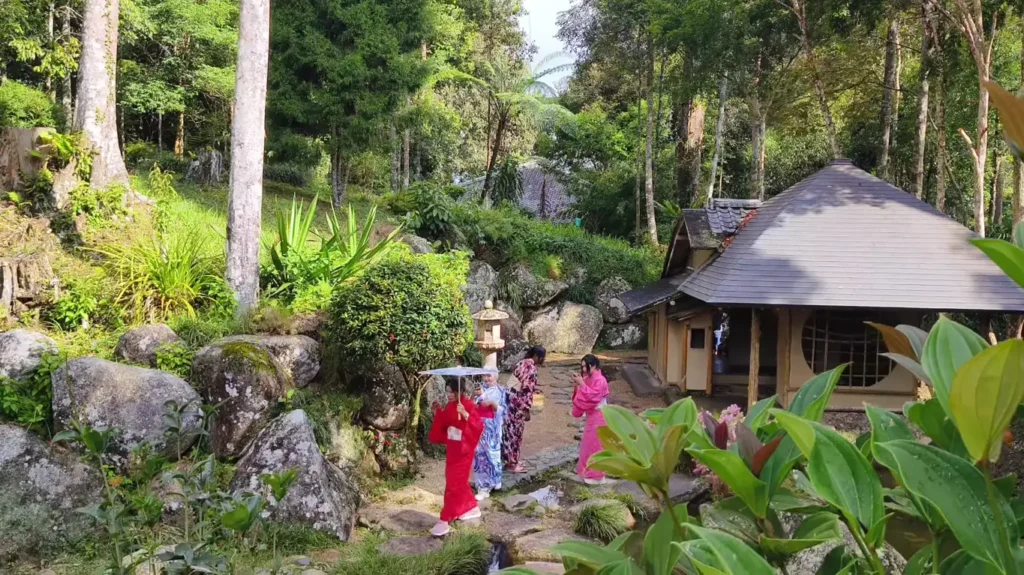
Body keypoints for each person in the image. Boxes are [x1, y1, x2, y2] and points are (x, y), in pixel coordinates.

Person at [427, 378, 484, 537]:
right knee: (455, 481)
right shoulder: (450, 406)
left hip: (464, 449)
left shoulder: (470, 405)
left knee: (454, 484)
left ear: (460, 392)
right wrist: (437, 411)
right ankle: (471, 506)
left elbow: (479, 426)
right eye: (448, 392)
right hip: (453, 448)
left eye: (451, 392)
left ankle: (445, 518)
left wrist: (465, 414)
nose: (449, 395)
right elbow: (444, 423)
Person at [503, 346, 545, 473]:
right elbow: (526, 390)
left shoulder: (521, 363)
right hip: (518, 404)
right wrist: (526, 410)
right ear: (537, 357)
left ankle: (510, 460)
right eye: (542, 358)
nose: (543, 360)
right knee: (515, 434)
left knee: (508, 431)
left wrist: (533, 389)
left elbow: (517, 382)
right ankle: (512, 464)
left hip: (508, 399)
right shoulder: (532, 369)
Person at [571, 354, 612, 485]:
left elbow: (593, 397)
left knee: (596, 445)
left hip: (600, 415)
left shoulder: (601, 380)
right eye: (582, 366)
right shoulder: (588, 378)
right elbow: (583, 395)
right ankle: (589, 472)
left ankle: (596, 475)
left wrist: (582, 384)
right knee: (588, 445)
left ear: (593, 365)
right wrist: (579, 385)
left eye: (585, 366)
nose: (583, 369)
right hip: (592, 415)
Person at [472, 374, 505, 500]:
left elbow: (505, 411)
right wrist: (476, 398)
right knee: (480, 456)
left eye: (489, 375)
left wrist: (492, 404)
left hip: (492, 428)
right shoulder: (480, 389)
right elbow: (474, 405)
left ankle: (495, 479)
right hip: (479, 427)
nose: (487, 378)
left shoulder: (501, 391)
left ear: (496, 376)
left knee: (492, 455)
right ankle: (483, 487)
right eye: (484, 375)